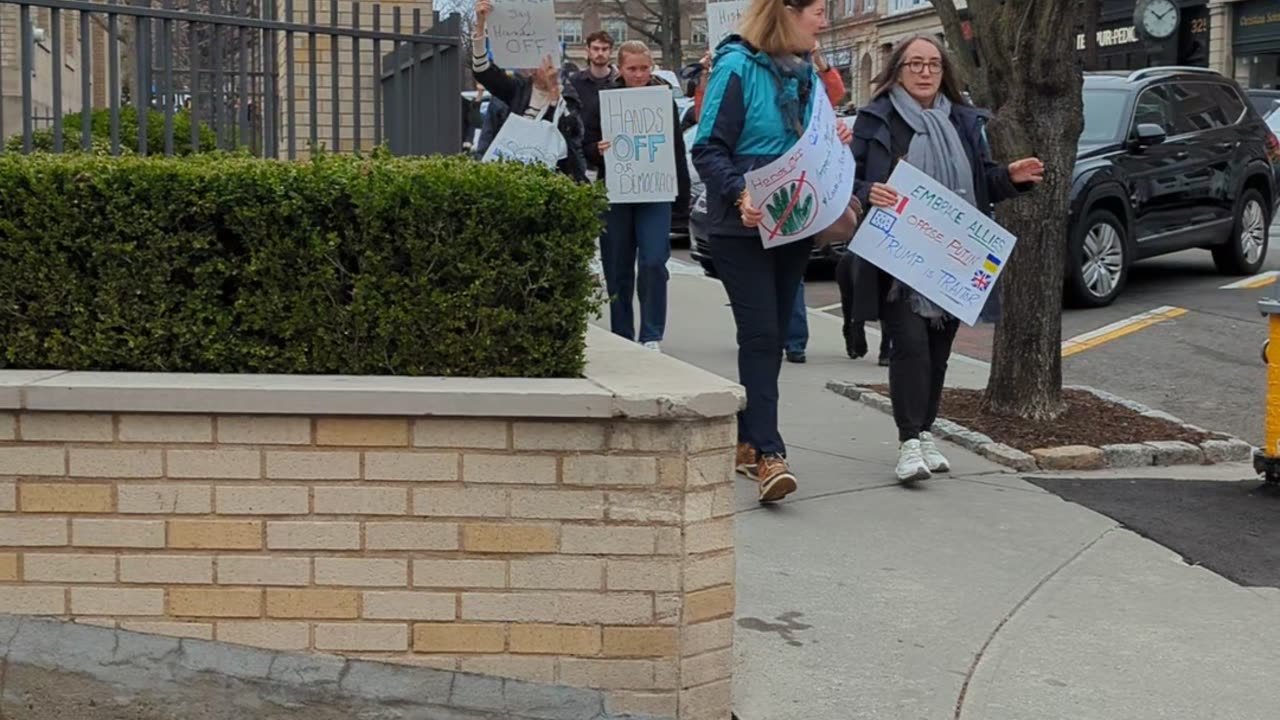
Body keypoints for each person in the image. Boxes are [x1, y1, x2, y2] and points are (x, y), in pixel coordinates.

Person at [849, 35, 1044, 483]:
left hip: (952, 261)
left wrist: (1011, 178)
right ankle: (907, 443)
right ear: (897, 70)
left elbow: (979, 186)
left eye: (933, 64)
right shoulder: (876, 120)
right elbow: (848, 178)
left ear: (944, 72)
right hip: (897, 261)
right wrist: (865, 192)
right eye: (915, 63)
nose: (924, 72)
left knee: (938, 353)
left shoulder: (962, 121)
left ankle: (925, 431)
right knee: (910, 347)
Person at [692, 0, 851, 503]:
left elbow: (809, 144)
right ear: (787, 12)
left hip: (791, 224)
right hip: (741, 227)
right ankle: (769, 453)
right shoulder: (736, 66)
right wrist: (740, 193)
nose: (824, 21)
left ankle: (744, 436)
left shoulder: (804, 74)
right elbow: (708, 147)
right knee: (761, 334)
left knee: (776, 333)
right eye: (818, 11)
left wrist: (834, 139)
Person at [596, 41, 691, 351]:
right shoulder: (604, 99)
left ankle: (651, 334)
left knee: (653, 262)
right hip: (616, 193)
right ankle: (622, 333)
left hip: (655, 192)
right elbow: (582, 143)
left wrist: (681, 200)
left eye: (644, 68)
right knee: (617, 266)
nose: (638, 75)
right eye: (632, 69)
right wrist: (598, 151)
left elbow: (676, 149)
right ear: (619, 69)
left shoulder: (665, 100)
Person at [471, 0, 588, 182]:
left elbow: (573, 131)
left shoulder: (568, 95)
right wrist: (480, 26)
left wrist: (554, 91)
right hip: (515, 176)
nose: (543, 65)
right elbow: (483, 71)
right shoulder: (518, 89)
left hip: (554, 179)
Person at [783, 40, 848, 364]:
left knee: (792, 264)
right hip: (773, 172)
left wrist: (817, 56)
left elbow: (836, 93)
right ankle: (773, 333)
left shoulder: (810, 71)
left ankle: (795, 341)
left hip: (804, 177)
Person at [570, 31, 620, 178]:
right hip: (580, 149)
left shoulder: (619, 83)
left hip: (613, 150)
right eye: (596, 48)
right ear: (588, 50)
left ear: (611, 51)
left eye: (604, 49)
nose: (600, 53)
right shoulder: (575, 81)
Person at [835, 251, 891, 364]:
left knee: (889, 309)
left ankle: (885, 352)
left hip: (886, 260)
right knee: (851, 305)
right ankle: (852, 336)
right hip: (858, 260)